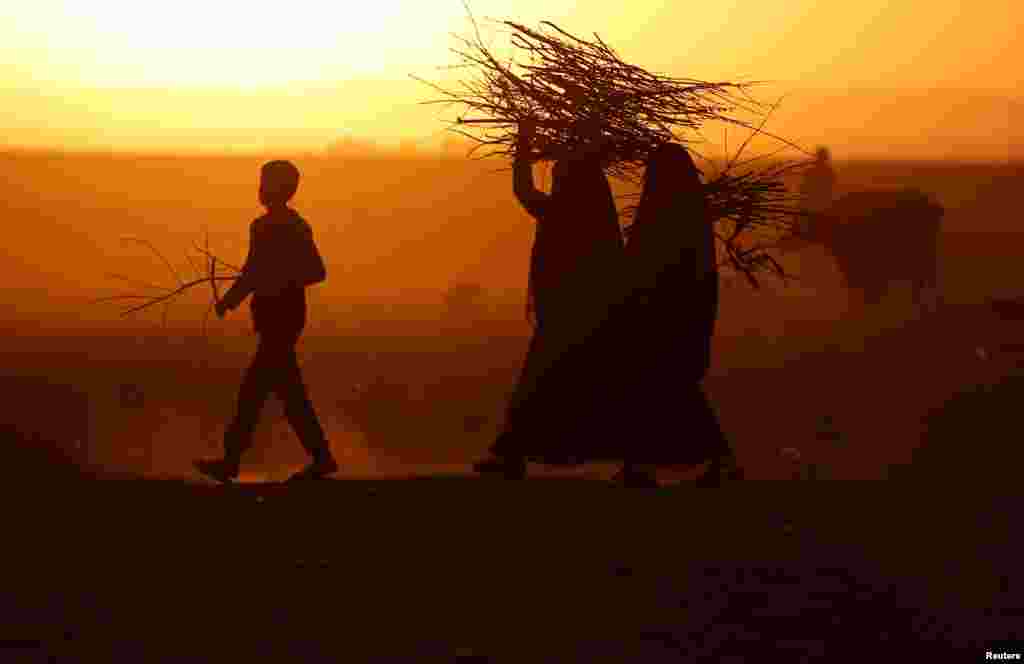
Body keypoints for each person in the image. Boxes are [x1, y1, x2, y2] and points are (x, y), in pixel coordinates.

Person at [473, 116, 625, 478]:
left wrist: (523, 146)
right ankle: (632, 460)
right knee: (600, 382)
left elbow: (524, 191)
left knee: (541, 381)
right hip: (592, 314)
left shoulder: (560, 213)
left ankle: (512, 453)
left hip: (563, 315)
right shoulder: (597, 216)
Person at [194, 160, 338, 484]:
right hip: (277, 319)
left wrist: (275, 280)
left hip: (283, 320)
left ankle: (232, 461)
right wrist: (231, 301)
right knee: (284, 395)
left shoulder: (290, 227)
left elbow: (316, 271)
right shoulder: (265, 227)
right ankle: (321, 457)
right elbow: (252, 272)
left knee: (255, 392)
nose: (259, 188)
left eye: (264, 182)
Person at [614, 142, 744, 488]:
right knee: (663, 389)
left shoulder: (666, 211)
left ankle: (711, 459)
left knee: (662, 388)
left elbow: (650, 263)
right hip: (681, 312)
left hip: (665, 314)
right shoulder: (690, 210)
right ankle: (642, 463)